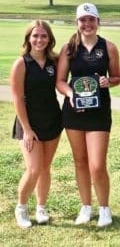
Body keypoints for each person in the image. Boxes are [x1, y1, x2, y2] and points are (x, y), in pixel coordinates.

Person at [56, 3, 120, 227]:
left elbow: (117, 77)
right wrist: (71, 94)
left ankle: (104, 208)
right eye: (83, 20)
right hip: (74, 110)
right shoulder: (69, 48)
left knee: (97, 164)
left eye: (91, 20)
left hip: (99, 112)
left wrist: (107, 81)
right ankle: (86, 206)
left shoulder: (109, 47)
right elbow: (60, 81)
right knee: (80, 161)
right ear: (77, 23)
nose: (87, 24)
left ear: (98, 22)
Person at [11, 20, 63, 228]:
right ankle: (21, 208)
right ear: (28, 38)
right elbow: (17, 98)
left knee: (45, 168)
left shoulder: (54, 61)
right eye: (35, 36)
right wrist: (28, 129)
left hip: (52, 120)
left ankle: (41, 208)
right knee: (33, 168)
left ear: (49, 39)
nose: (39, 40)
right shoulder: (21, 63)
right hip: (29, 123)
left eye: (43, 36)